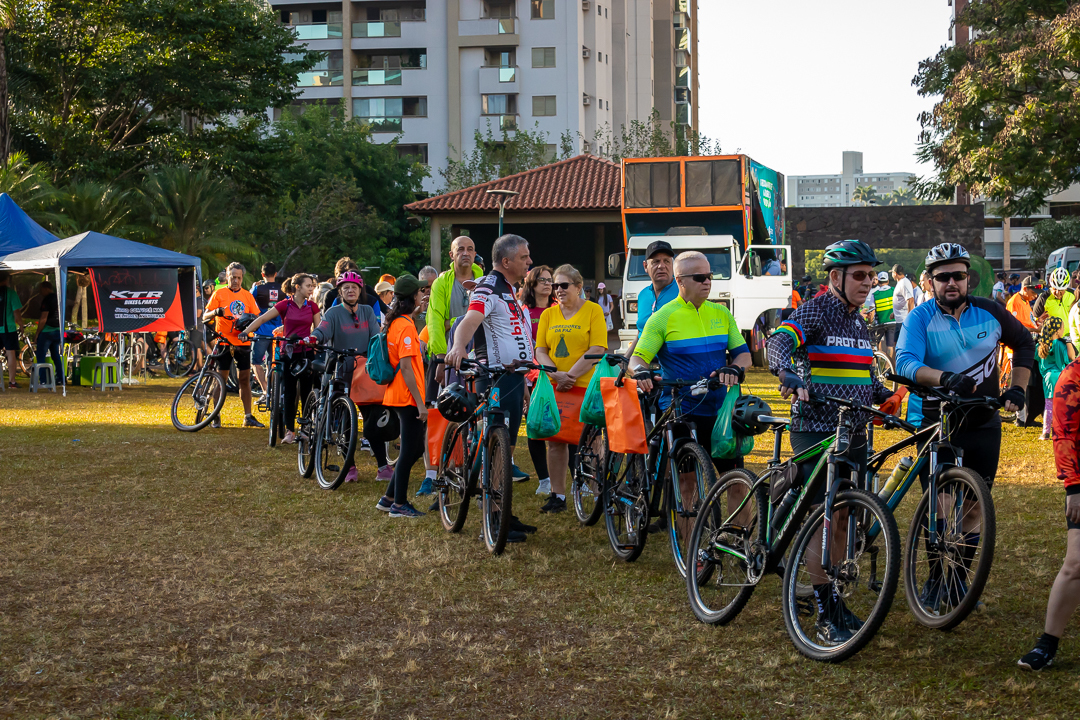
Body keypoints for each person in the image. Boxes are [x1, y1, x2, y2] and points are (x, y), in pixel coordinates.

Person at [767, 239, 899, 644]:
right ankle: (826, 612)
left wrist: (886, 396)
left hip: (853, 432)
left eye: (871, 275)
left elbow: (865, 378)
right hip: (816, 427)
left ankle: (836, 601)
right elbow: (778, 342)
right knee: (821, 519)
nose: (868, 282)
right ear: (836, 277)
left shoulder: (859, 323)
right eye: (860, 275)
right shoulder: (815, 310)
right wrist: (786, 373)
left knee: (842, 517)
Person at [897, 243, 1036, 614]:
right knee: (940, 507)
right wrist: (944, 378)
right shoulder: (920, 318)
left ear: (968, 278)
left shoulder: (990, 311)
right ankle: (934, 577)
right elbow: (906, 363)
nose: (952, 283)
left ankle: (958, 579)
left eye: (958, 275)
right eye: (942, 277)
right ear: (929, 281)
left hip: (983, 421)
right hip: (936, 422)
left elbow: (1024, 343)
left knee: (974, 507)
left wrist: (1018, 388)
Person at [631, 251, 752, 551]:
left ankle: (739, 544)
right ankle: (693, 552)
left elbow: (743, 354)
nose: (707, 282)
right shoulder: (663, 317)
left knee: (737, 480)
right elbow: (638, 358)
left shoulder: (721, 314)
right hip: (682, 408)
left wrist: (735, 368)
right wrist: (641, 372)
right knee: (688, 485)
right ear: (681, 281)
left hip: (720, 410)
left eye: (710, 276)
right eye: (700, 277)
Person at [445, 234, 536, 540]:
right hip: (494, 375)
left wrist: (523, 381)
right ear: (506, 261)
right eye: (524, 257)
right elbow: (470, 320)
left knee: (504, 448)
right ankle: (494, 517)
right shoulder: (488, 286)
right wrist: (459, 347)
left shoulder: (509, 289)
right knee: (496, 446)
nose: (529, 261)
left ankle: (502, 511)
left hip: (513, 377)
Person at [1018, 355, 1080, 670]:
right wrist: (1074, 488)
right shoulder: (1073, 376)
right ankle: (1047, 645)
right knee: (1076, 564)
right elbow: (1064, 434)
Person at [534, 265, 608, 514]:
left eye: (564, 285)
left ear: (578, 287)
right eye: (555, 285)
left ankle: (598, 494)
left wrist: (571, 376)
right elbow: (540, 350)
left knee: (591, 441)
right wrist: (555, 374)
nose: (558, 290)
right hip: (556, 386)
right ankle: (558, 495)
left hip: (585, 387)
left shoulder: (593, 311)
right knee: (555, 441)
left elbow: (598, 348)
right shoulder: (548, 315)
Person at [310, 270, 383, 483]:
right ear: (340, 292)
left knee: (372, 419)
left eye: (354, 287)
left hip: (364, 371)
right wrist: (314, 338)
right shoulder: (333, 313)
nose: (350, 290)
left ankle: (383, 466)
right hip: (340, 369)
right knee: (344, 420)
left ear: (360, 291)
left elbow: (376, 336)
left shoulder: (367, 311)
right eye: (346, 288)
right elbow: (323, 330)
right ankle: (349, 466)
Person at [374, 273, 430, 518]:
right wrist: (420, 404)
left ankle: (388, 498)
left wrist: (415, 314)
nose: (423, 294)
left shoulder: (398, 321)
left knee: (415, 448)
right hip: (407, 396)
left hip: (399, 394)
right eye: (420, 291)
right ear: (412, 296)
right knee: (409, 451)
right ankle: (398, 504)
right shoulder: (405, 326)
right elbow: (406, 367)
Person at [243, 273, 320, 443]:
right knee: (289, 392)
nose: (311, 289)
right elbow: (263, 318)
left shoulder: (312, 306)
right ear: (297, 287)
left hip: (306, 352)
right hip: (289, 353)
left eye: (313, 286)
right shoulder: (285, 304)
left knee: (307, 392)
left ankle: (305, 429)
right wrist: (245, 332)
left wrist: (313, 339)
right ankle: (290, 431)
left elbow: (318, 329)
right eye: (308, 286)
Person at [202, 262, 265, 429]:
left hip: (243, 342)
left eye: (239, 278)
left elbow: (257, 318)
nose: (236, 281)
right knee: (220, 380)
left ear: (242, 278)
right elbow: (204, 317)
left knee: (244, 379)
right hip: (224, 341)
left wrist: (249, 322)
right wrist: (216, 312)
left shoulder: (247, 296)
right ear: (227, 276)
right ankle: (215, 415)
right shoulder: (219, 293)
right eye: (233, 277)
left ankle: (248, 416)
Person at [519, 265, 556, 497]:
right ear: (531, 284)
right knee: (535, 428)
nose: (548, 284)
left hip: (557, 376)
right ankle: (544, 480)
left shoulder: (559, 308)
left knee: (563, 428)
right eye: (542, 280)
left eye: (550, 280)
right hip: (532, 378)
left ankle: (577, 479)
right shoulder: (522, 311)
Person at [427, 236, 484, 362]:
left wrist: (452, 323)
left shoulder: (484, 283)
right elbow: (435, 322)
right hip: (448, 355)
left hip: (478, 356)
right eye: (460, 249)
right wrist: (441, 356)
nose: (466, 253)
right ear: (451, 255)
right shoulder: (440, 283)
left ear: (474, 254)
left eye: (470, 249)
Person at [1036, 317, 1074, 441]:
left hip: (1048, 379)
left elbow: (1036, 356)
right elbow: (1071, 357)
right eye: (1062, 328)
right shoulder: (1059, 343)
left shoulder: (1041, 344)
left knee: (1049, 405)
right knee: (1063, 406)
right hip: (1060, 377)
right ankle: (1062, 430)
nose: (1063, 330)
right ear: (1057, 331)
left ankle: (1046, 432)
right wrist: (1068, 341)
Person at [249, 262, 283, 395]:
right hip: (277, 332)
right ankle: (271, 391)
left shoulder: (258, 289)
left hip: (261, 331)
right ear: (276, 274)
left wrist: (253, 287)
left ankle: (265, 390)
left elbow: (248, 301)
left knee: (255, 362)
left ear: (262, 274)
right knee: (272, 362)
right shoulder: (283, 289)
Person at [635, 240, 678, 335]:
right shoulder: (643, 295)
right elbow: (641, 332)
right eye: (656, 262)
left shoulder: (683, 292)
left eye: (667, 261)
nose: (661, 266)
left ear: (673, 265)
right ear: (645, 266)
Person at [32, 280, 64, 388]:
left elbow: (43, 318)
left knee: (40, 356)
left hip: (47, 331)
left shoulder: (47, 300)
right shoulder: (59, 298)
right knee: (56, 355)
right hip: (58, 330)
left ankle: (43, 380)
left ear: (46, 288)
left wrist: (37, 333)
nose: (40, 292)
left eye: (41, 290)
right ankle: (60, 378)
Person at [0, 272, 24, 388]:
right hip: (8, 329)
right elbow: (16, 311)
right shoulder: (10, 293)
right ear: (6, 280)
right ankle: (12, 382)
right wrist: (21, 324)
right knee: (11, 353)